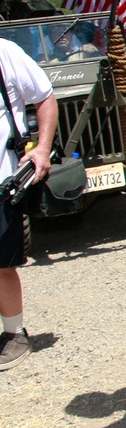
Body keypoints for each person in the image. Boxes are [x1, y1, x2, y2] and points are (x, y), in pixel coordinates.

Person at [0, 38, 56, 370]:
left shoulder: (4, 52)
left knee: (2, 266)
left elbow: (45, 97)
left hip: (3, 180)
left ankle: (14, 334)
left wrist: (42, 148)